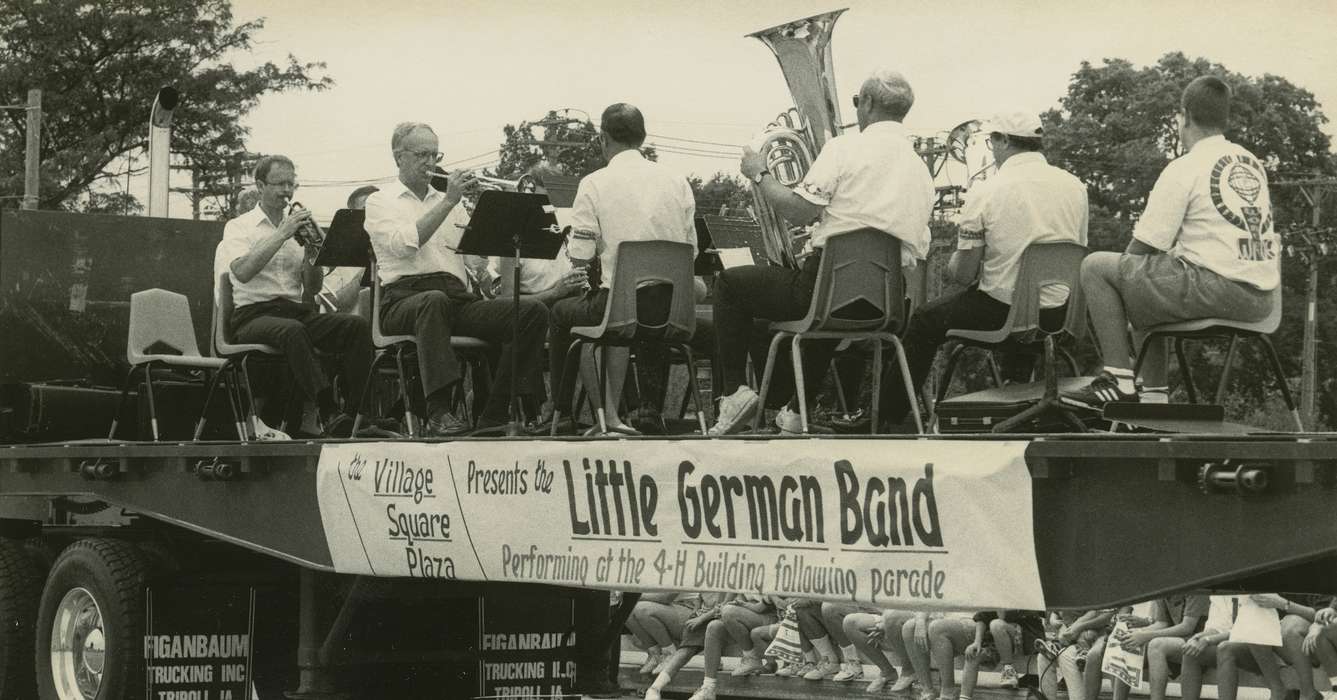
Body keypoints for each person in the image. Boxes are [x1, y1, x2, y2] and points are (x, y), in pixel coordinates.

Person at [711, 68, 934, 434]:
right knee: (831, 306)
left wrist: (759, 173)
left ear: (869, 104)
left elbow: (799, 209)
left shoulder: (844, 149)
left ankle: (733, 393)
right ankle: (795, 412)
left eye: (856, 102)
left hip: (825, 292)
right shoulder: (921, 171)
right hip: (886, 303)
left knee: (731, 285)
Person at [1062, 75, 1279, 409]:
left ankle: (1119, 380)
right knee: (1149, 283)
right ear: (1225, 118)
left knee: (1098, 268)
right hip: (1263, 299)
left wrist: (1121, 284)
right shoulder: (1250, 162)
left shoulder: (1185, 167)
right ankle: (1154, 399)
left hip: (1220, 289)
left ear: (1184, 115)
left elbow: (1142, 248)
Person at [877, 111, 1089, 428]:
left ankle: (887, 421)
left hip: (1007, 317)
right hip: (1062, 315)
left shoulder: (987, 191)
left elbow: (962, 275)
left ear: (1002, 141)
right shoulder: (1075, 187)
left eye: (992, 140)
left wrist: (956, 263)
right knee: (1014, 296)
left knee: (924, 321)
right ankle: (1016, 402)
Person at [363, 122, 550, 435]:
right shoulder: (380, 201)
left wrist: (496, 223)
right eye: (422, 154)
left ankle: (494, 412)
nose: (430, 162)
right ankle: (438, 413)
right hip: (403, 299)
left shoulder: (451, 202)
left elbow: (474, 260)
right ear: (399, 157)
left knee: (531, 312)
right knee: (433, 302)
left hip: (453, 297)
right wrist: (449, 201)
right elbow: (404, 244)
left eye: (435, 154)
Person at [216, 154, 395, 438]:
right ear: (260, 186)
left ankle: (360, 415)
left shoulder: (296, 227)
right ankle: (327, 409)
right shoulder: (239, 226)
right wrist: (282, 233)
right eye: (279, 184)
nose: (287, 191)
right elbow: (242, 272)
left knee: (355, 327)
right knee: (294, 331)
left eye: (291, 184)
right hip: (252, 315)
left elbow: (311, 289)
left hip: (291, 310)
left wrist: (313, 254)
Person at [547, 103, 697, 436]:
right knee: (611, 309)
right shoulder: (677, 181)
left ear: (602, 139)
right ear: (643, 137)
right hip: (673, 311)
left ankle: (577, 415)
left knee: (566, 313)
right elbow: (691, 252)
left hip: (623, 311)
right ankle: (615, 415)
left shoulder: (594, 183)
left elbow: (581, 257)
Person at [843, 607, 921, 693]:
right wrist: (882, 621)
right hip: (887, 614)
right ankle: (887, 671)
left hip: (919, 615)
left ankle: (909, 671)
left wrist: (886, 622)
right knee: (850, 622)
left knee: (891, 617)